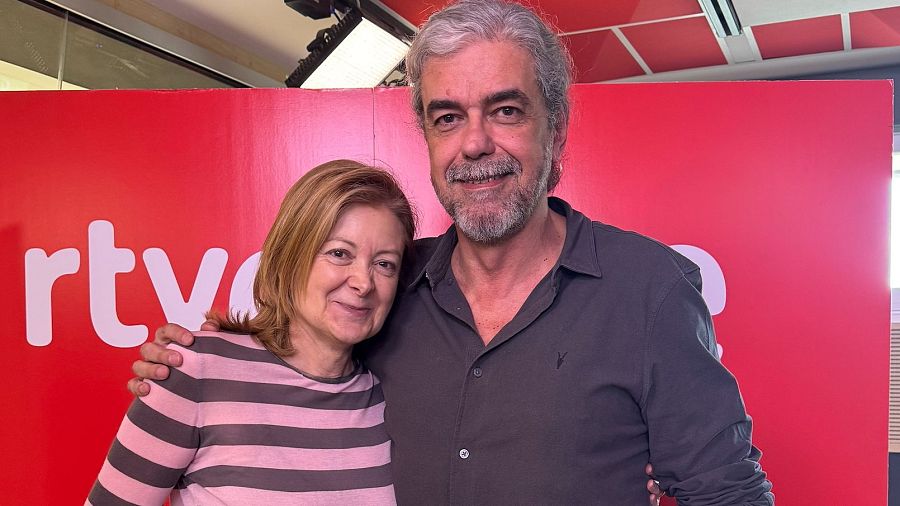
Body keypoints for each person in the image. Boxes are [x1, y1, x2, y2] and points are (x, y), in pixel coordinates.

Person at [130, 0, 774, 503]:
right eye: (447, 118)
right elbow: (287, 363)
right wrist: (179, 363)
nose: (473, 144)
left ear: (557, 127)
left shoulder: (649, 290)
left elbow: (728, 493)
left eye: (505, 111)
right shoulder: (387, 284)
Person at [88, 160, 416, 504]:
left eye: (384, 264)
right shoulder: (194, 370)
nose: (363, 283)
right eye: (339, 253)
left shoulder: (389, 400)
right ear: (291, 257)